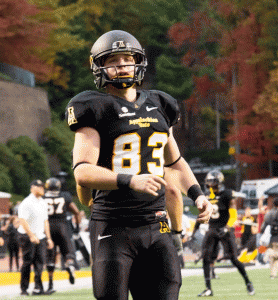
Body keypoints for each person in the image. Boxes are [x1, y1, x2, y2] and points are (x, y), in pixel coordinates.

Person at [65, 30, 213, 300]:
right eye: (112, 60)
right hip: (113, 224)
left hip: (157, 225)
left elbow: (176, 163)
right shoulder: (94, 106)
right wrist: (130, 179)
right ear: (99, 67)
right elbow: (83, 171)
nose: (122, 65)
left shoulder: (160, 104)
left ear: (138, 62)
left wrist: (198, 194)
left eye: (127, 59)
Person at [198, 169, 255, 297]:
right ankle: (208, 289)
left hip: (224, 229)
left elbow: (233, 213)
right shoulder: (207, 196)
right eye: (209, 182)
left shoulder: (227, 194)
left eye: (213, 182)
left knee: (234, 259)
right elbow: (202, 213)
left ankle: (248, 282)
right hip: (212, 229)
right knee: (206, 259)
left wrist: (228, 227)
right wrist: (199, 226)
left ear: (219, 182)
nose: (210, 184)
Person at [43, 177, 81, 295]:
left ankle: (50, 284)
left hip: (48, 227)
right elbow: (76, 212)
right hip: (62, 227)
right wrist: (77, 227)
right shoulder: (65, 196)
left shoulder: (43, 197)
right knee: (68, 252)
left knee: (51, 256)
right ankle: (69, 265)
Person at [17, 179, 54, 296]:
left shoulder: (42, 202)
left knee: (40, 262)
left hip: (40, 236)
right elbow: (22, 220)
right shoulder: (26, 202)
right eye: (40, 186)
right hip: (27, 235)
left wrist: (48, 238)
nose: (43, 189)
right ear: (33, 187)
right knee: (27, 262)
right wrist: (31, 235)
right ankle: (24, 289)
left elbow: (45, 221)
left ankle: (38, 288)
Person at [260, 198, 278, 279]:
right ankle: (268, 252)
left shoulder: (269, 213)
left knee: (274, 259)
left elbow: (263, 227)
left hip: (271, 238)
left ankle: (273, 274)